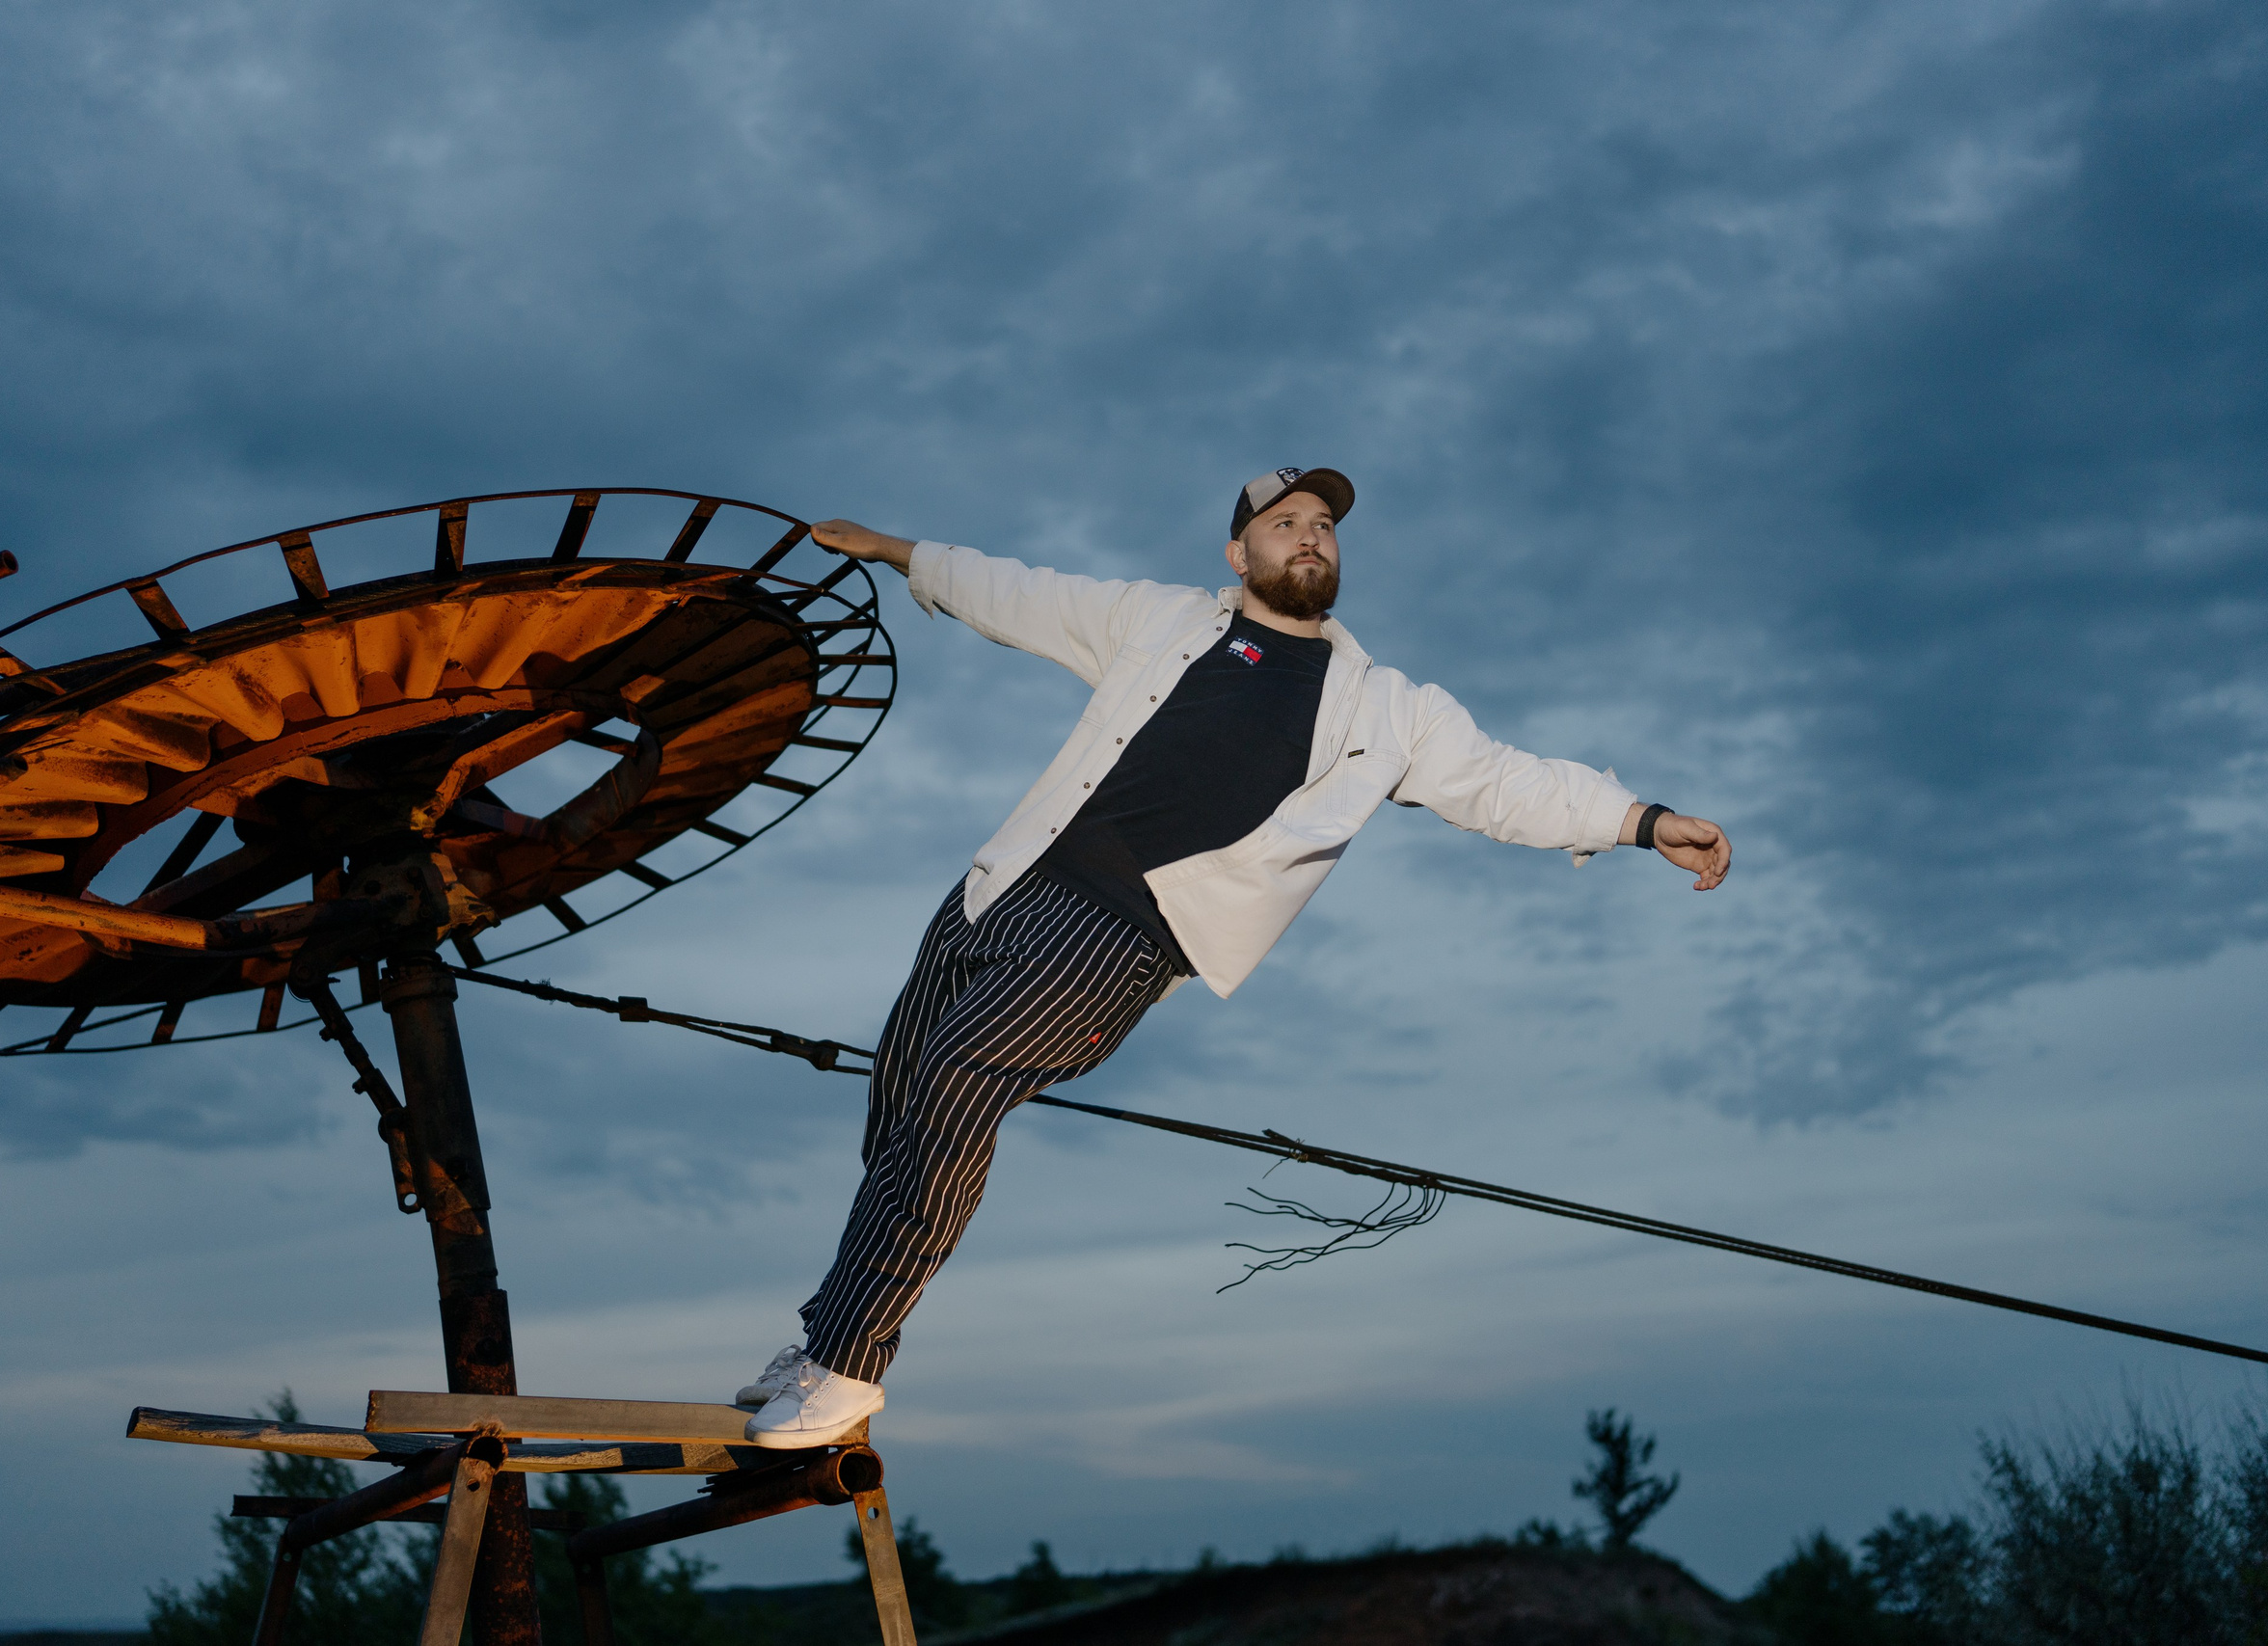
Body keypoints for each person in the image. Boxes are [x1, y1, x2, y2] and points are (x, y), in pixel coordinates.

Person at [736, 467, 1732, 1446]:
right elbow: (1021, 592)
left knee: (957, 1084)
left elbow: (1502, 782)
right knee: (902, 1099)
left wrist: (1639, 821)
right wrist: (894, 548)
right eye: (1285, 521)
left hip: (1117, 938)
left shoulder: (1386, 708)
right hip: (1001, 887)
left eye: (1324, 527)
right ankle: (828, 1332)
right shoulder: (1162, 622)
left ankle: (851, 1364)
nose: (1309, 536)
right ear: (1238, 551)